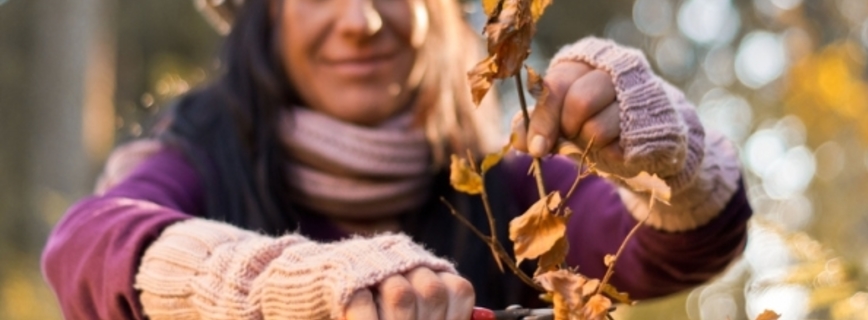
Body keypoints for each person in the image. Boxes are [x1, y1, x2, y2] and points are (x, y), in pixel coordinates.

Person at [41, 0, 752, 318]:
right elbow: (86, 246)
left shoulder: (506, 187)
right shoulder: (200, 162)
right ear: (266, 17)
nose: (362, 20)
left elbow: (687, 243)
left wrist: (665, 152)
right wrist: (278, 282)